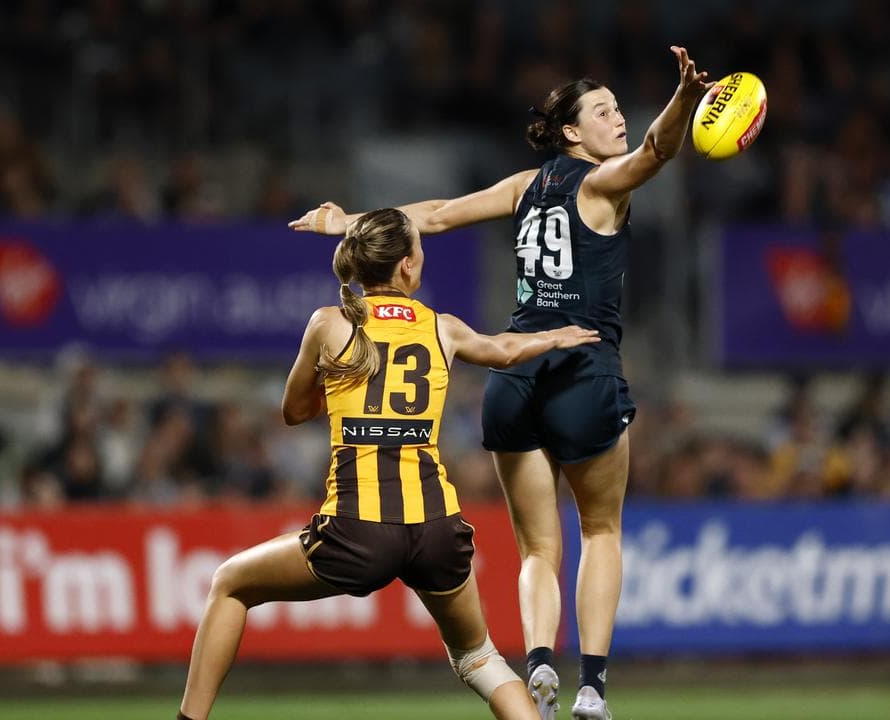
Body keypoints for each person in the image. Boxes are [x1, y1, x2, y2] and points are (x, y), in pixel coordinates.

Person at [290, 47, 713, 720]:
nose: (619, 120)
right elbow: (658, 152)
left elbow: (434, 212)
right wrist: (686, 99)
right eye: (603, 112)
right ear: (572, 133)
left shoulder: (523, 187)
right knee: (600, 531)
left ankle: (539, 660)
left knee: (537, 546)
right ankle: (592, 689)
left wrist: (348, 223)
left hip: (514, 375)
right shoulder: (603, 186)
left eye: (618, 110)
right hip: (583, 364)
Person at [178, 208, 601, 720]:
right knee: (479, 657)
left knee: (229, 583)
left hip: (358, 531)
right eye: (419, 249)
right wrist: (554, 337)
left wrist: (338, 390)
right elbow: (504, 350)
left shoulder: (329, 323)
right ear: (406, 267)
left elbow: (293, 411)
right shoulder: (441, 328)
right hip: (437, 529)